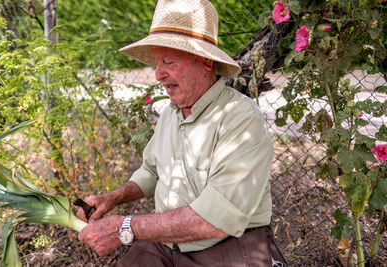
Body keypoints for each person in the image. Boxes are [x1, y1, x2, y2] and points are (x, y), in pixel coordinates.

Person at [77, 0, 286, 266]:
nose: (158, 75)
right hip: (169, 246)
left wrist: (124, 227)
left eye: (169, 62)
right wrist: (112, 198)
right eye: (156, 63)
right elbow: (151, 171)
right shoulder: (171, 114)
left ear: (206, 62)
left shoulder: (239, 119)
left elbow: (216, 221)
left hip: (229, 247)